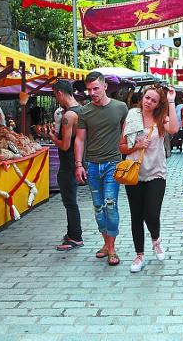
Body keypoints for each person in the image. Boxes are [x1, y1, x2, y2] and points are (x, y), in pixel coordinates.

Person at [119, 85, 179, 273]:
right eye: (147, 98)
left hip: (156, 173)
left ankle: (156, 239)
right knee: (136, 215)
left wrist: (171, 101)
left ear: (157, 104)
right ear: (142, 97)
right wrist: (136, 146)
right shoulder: (132, 116)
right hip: (134, 172)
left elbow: (175, 129)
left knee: (151, 213)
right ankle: (139, 255)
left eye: (153, 100)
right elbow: (121, 147)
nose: (148, 102)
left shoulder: (161, 119)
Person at [74, 72, 128, 266]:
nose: (92, 93)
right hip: (92, 165)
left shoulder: (121, 108)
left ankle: (112, 248)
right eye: (89, 89)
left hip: (113, 163)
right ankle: (106, 244)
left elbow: (126, 135)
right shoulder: (84, 111)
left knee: (110, 203)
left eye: (95, 88)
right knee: (98, 207)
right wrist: (78, 164)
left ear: (105, 86)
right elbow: (80, 139)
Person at [46, 80, 83, 251]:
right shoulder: (81, 109)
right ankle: (72, 233)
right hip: (76, 161)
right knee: (71, 201)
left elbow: (65, 145)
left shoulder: (68, 116)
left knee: (70, 202)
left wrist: (52, 137)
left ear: (60, 93)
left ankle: (75, 237)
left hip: (68, 164)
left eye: (55, 94)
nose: (56, 98)